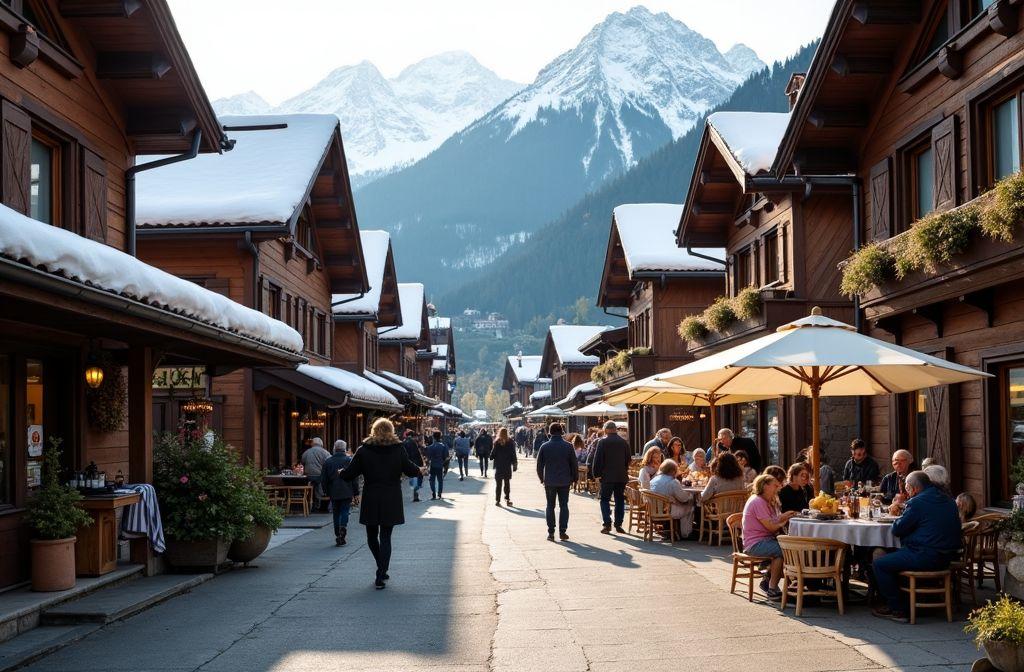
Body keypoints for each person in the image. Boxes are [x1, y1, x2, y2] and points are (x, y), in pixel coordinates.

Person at [341, 418, 426, 589]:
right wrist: (420, 470)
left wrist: (340, 472)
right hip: (391, 498)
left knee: (371, 537)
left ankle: (381, 568)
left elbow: (350, 473)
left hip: (371, 497)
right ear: (391, 430)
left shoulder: (363, 450)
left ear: (373, 430)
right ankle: (381, 571)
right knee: (386, 537)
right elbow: (409, 469)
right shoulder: (398, 449)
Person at [872, 471, 963, 622]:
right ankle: (914, 600)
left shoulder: (917, 502)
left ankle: (898, 609)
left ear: (914, 488)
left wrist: (899, 515)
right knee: (893, 555)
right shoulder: (948, 500)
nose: (907, 492)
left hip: (925, 556)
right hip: (948, 557)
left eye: (907, 489)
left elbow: (897, 529)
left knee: (880, 563)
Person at [743, 474, 798, 599]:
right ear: (765, 486)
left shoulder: (765, 501)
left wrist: (783, 516)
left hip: (763, 541)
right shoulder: (758, 502)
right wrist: (783, 521)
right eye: (775, 485)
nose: (778, 488)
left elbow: (772, 520)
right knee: (786, 550)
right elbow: (771, 527)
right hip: (755, 544)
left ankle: (770, 583)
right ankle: (772, 587)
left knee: (784, 551)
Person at [536, 423, 577, 541]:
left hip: (550, 481)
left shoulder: (544, 446)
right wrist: (574, 478)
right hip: (564, 481)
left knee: (550, 506)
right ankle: (563, 531)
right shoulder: (569, 446)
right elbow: (574, 464)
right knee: (564, 506)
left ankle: (551, 532)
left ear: (550, 432)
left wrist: (541, 478)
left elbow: (539, 465)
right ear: (562, 432)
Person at [592, 420, 631, 534]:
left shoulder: (602, 442)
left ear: (605, 430)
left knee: (604, 499)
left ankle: (607, 523)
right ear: (615, 430)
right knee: (619, 500)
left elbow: (598, 459)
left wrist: (596, 474)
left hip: (607, 477)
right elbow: (628, 459)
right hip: (621, 476)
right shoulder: (624, 442)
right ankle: (618, 524)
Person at [321, 440, 359, 546]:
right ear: (345, 448)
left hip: (334, 491)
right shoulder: (349, 460)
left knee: (336, 512)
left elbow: (324, 479)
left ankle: (338, 533)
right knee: (345, 510)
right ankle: (343, 527)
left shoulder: (328, 461)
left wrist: (326, 491)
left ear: (334, 448)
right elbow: (354, 478)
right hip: (347, 490)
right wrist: (356, 492)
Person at [649, 459, 696, 537]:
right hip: (667, 511)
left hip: (653, 510)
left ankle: (674, 529)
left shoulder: (653, 480)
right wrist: (690, 495)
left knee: (681, 503)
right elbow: (683, 499)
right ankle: (686, 533)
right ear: (673, 471)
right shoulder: (672, 482)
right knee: (690, 507)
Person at [300, 437, 332, 511]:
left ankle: (309, 503)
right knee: (320, 488)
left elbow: (302, 461)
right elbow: (330, 462)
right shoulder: (325, 452)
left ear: (312, 444)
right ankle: (319, 504)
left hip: (308, 476)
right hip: (320, 476)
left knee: (310, 488)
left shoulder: (307, 452)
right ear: (321, 444)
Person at [492, 427, 518, 507]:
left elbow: (492, 455)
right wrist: (515, 463)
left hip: (499, 466)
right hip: (507, 466)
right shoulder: (510, 442)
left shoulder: (496, 442)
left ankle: (497, 500)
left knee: (498, 485)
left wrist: (493, 456)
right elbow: (513, 454)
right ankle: (507, 499)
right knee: (507, 483)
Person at [426, 431, 450, 500]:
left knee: (432, 480)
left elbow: (428, 457)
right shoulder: (443, 446)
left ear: (433, 437)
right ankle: (439, 493)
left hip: (433, 465)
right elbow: (446, 456)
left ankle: (433, 493)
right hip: (440, 465)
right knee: (440, 480)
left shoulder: (430, 447)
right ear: (440, 437)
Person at [403, 430, 425, 503]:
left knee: (413, 479)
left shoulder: (404, 442)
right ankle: (416, 497)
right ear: (413, 436)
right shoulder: (413, 443)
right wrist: (421, 464)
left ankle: (415, 494)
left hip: (408, 463)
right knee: (416, 480)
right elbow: (417, 454)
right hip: (415, 463)